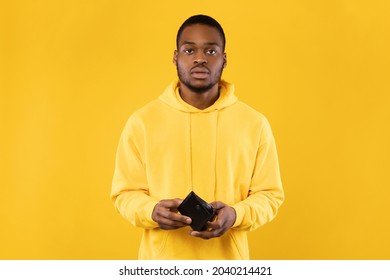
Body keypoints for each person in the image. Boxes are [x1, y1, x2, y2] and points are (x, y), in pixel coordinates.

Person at [111, 14, 284, 260]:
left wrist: (236, 214)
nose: (200, 58)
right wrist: (151, 211)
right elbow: (124, 193)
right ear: (175, 57)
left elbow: (270, 195)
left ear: (224, 59)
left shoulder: (254, 124)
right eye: (189, 50)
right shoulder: (142, 122)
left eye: (211, 51)